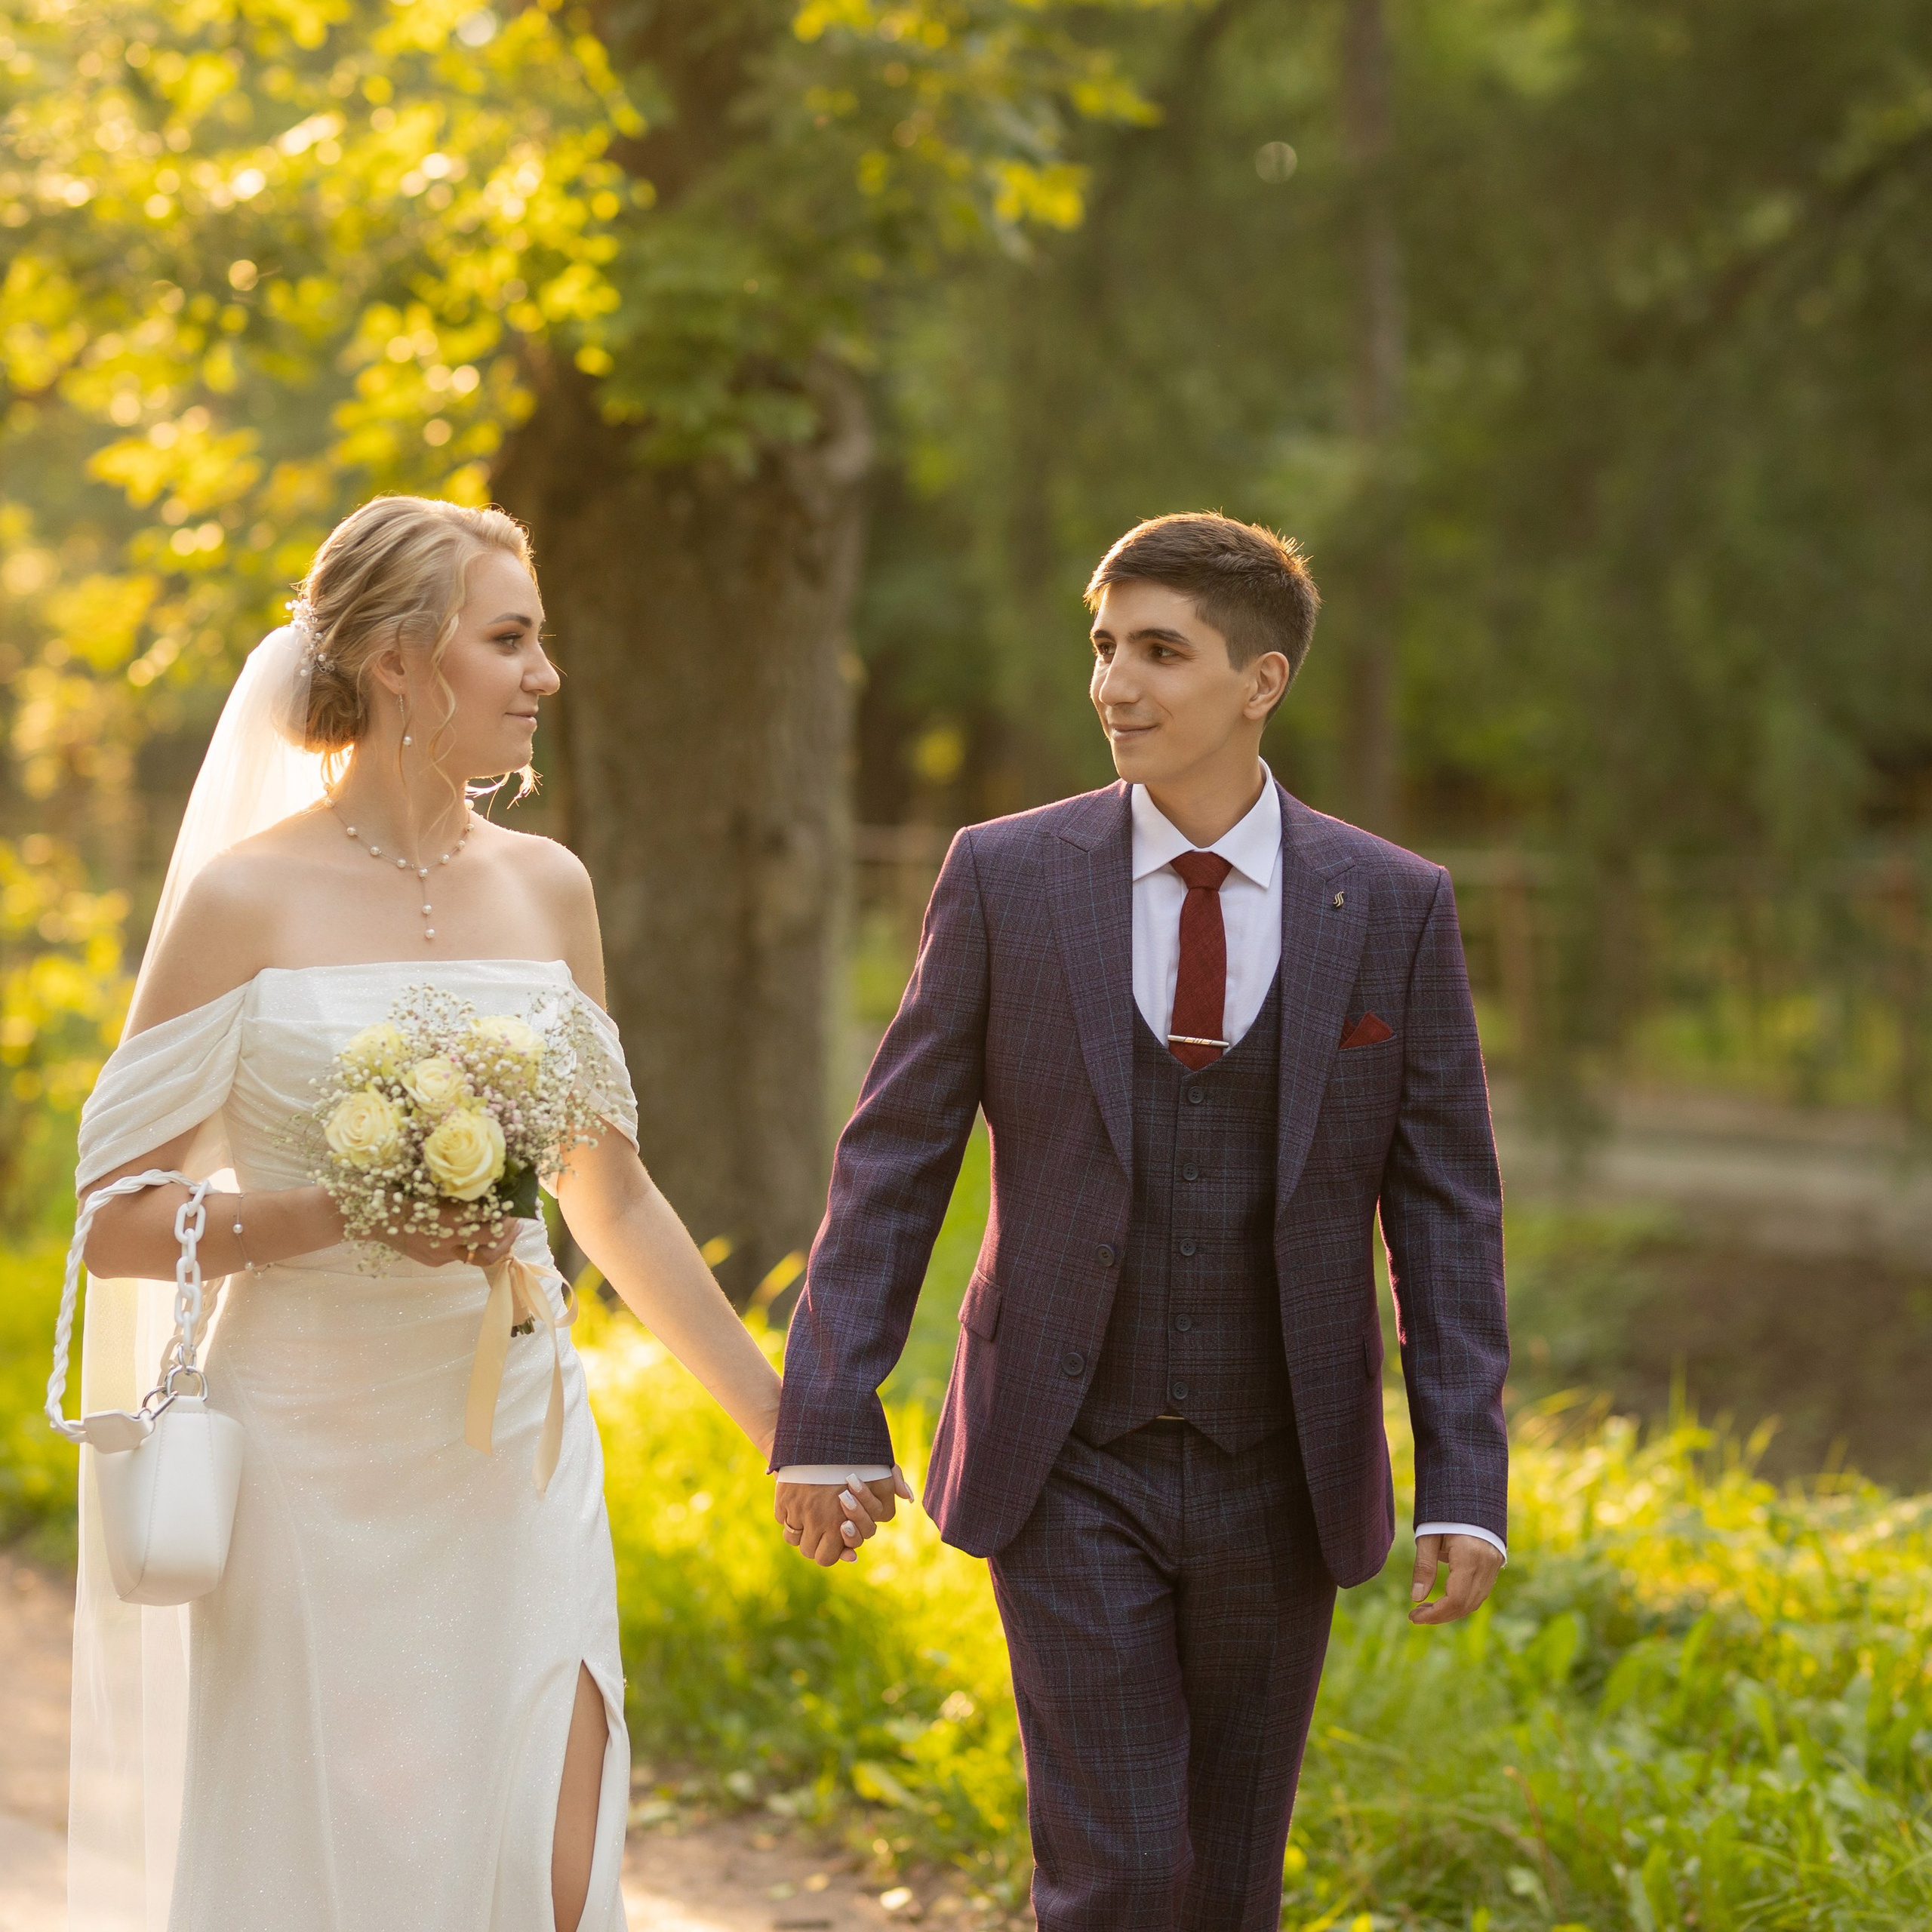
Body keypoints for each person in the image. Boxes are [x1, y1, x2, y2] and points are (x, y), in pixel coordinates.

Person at [60, 495, 881, 1932]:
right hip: (306, 1453)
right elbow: (116, 1220)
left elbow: (609, 1194)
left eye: (540, 640)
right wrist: (325, 1216)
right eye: (509, 641)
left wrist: (788, 1427)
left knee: (551, 1851)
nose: (545, 677)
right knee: (333, 1855)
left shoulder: (550, 888)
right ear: (395, 663)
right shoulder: (243, 900)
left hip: (512, 1432)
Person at [771, 512, 1510, 1930]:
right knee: (1116, 1874)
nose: (1115, 682)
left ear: (1262, 682)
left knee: (1230, 1883)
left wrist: (1464, 1473)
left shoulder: (1396, 904)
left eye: (1161, 651)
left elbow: (1446, 1208)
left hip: (1282, 1469)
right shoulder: (1008, 875)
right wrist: (828, 1407)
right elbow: (897, 1153)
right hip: (1067, 1458)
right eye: (1105, 646)